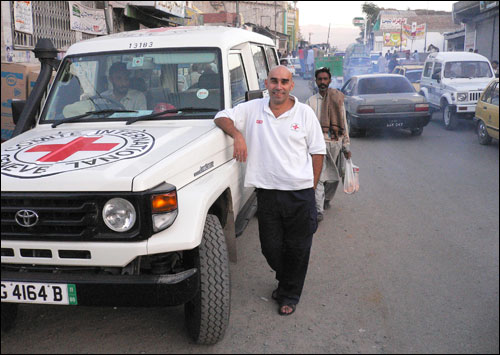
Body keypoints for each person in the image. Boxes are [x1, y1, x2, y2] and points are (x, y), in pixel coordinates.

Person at [214, 65, 325, 316]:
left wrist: (311, 187)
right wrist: (238, 135)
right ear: (267, 83)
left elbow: (318, 151)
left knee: (298, 247)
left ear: (291, 85)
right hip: (267, 193)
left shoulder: (305, 114)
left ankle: (289, 294)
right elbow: (221, 116)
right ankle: (286, 281)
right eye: (274, 81)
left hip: (299, 193)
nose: (279, 86)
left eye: (284, 82)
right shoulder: (253, 109)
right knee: (271, 247)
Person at [306, 67, 351, 222]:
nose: (323, 82)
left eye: (325, 79)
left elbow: (343, 122)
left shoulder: (338, 98)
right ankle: (318, 210)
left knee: (333, 178)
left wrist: (346, 145)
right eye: (320, 79)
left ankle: (326, 199)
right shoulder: (311, 102)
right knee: (318, 177)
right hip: (318, 146)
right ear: (316, 81)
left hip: (335, 143)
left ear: (330, 81)